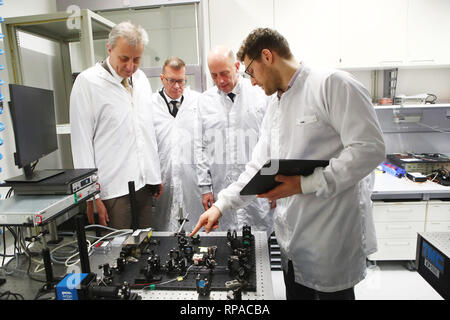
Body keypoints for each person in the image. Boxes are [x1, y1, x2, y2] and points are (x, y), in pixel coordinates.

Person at [190, 28, 386, 300]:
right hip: (291, 243)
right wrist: (221, 205)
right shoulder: (276, 104)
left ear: (267, 56)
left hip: (330, 238)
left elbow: (370, 149)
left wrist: (304, 184)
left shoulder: (331, 84)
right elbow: (257, 166)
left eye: (250, 71)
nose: (252, 82)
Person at [70, 21, 162, 230]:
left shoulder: (141, 80)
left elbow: (146, 131)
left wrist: (154, 174)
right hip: (112, 192)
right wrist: (92, 196)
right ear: (109, 49)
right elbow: (81, 144)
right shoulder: (87, 83)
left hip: (144, 184)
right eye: (124, 58)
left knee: (147, 250)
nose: (130, 66)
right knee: (117, 253)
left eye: (136, 59)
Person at [195, 45, 274, 234]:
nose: (220, 81)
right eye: (214, 75)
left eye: (224, 73)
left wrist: (275, 184)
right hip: (221, 184)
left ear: (237, 66)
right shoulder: (204, 101)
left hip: (258, 187)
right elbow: (200, 146)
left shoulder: (260, 95)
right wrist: (205, 187)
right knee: (227, 244)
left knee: (260, 242)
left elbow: (273, 142)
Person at [152, 57, 203, 231]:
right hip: (161, 181)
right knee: (163, 228)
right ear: (162, 78)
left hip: (192, 179)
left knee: (196, 228)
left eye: (180, 81)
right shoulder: (149, 105)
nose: (176, 86)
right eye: (171, 81)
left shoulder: (198, 101)